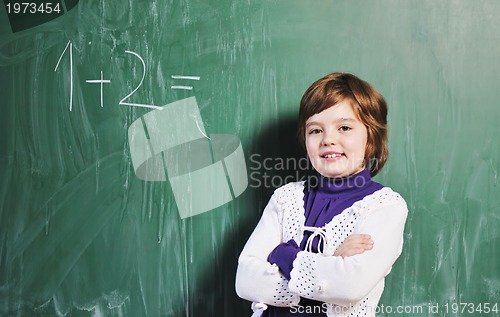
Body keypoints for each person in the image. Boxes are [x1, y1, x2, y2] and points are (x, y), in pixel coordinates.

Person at [235, 72, 408, 317]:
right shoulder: (286, 198)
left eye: (345, 127)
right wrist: (331, 263)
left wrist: (282, 254)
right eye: (315, 131)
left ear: (372, 135)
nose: (328, 139)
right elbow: (246, 281)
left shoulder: (385, 207)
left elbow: (349, 287)